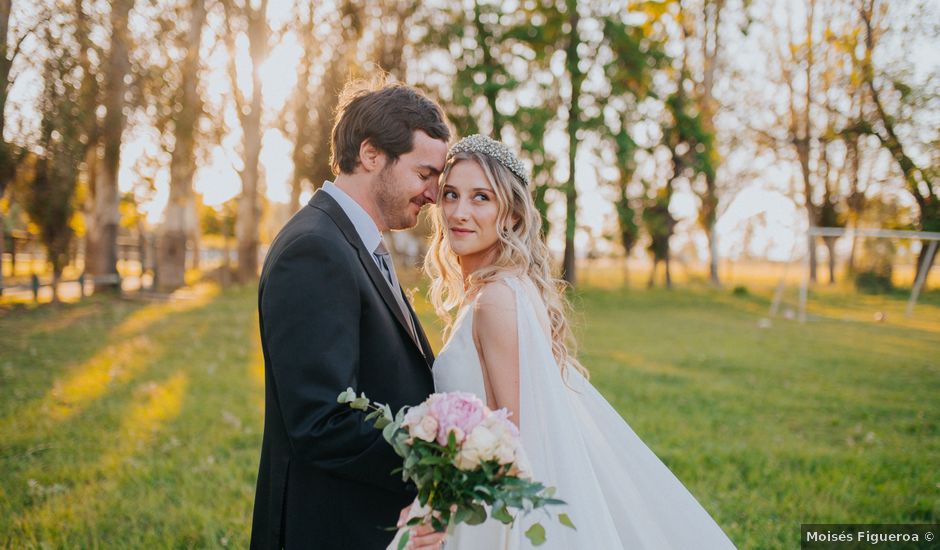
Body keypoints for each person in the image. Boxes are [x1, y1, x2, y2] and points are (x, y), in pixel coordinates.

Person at [424, 134, 737, 549]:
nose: (459, 212)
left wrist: (444, 511)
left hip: (490, 514)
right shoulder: (508, 286)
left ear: (512, 214)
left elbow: (516, 440)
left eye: (481, 197)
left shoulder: (495, 299)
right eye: (450, 194)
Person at [250, 80, 451, 550]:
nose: (434, 194)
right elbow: (322, 421)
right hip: (330, 526)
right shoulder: (315, 249)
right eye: (425, 173)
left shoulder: (351, 240)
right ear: (371, 154)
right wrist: (437, 462)